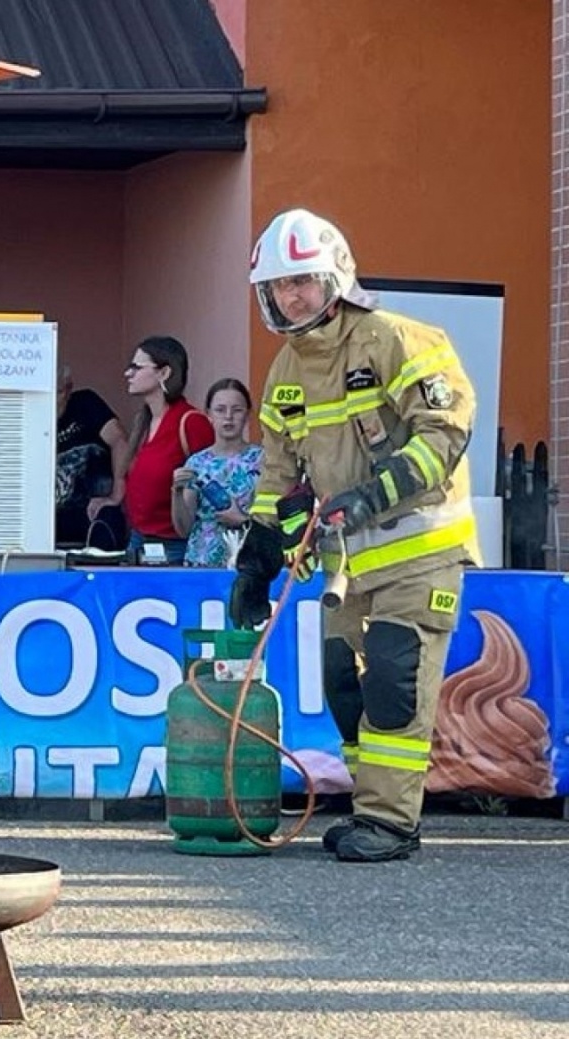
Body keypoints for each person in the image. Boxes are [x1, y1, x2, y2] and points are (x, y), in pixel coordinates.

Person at [231, 209, 477, 863]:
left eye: (303, 281)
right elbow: (279, 471)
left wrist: (373, 492)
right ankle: (373, 804)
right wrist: (259, 556)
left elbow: (445, 433)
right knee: (344, 681)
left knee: (395, 678)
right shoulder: (286, 369)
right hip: (345, 562)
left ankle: (392, 821)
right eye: (279, 287)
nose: (292, 296)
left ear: (334, 276)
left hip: (419, 550)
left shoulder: (396, 338)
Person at [120, 336, 214, 564]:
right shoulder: (143, 422)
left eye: (137, 367)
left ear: (164, 373)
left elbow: (210, 483)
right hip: (137, 541)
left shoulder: (191, 422)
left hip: (173, 546)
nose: (128, 374)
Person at [171, 379, 263, 567]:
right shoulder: (197, 463)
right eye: (220, 410)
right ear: (209, 414)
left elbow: (276, 521)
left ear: (247, 415)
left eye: (236, 410)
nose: (228, 417)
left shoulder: (263, 460)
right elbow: (183, 529)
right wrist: (177, 492)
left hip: (251, 561)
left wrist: (243, 521)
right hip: (203, 561)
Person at [54, 364, 129, 550]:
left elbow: (119, 440)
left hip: (93, 508)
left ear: (69, 389)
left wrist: (116, 495)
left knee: (108, 520)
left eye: (58, 392)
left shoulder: (86, 404)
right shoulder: (27, 414)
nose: (53, 401)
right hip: (50, 516)